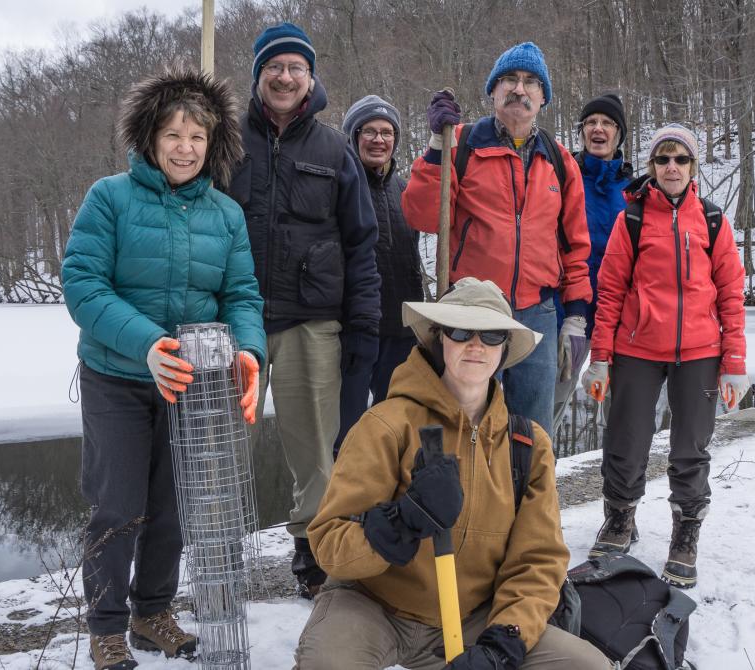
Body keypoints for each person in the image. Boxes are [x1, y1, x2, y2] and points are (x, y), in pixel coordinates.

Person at [61, 66, 267, 670]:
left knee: (175, 504)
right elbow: (83, 286)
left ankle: (152, 611)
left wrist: (248, 351)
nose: (185, 148)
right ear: (151, 137)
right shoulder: (110, 197)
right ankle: (105, 625)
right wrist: (149, 345)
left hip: (193, 384)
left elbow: (242, 295)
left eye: (197, 137)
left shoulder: (226, 215)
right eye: (174, 135)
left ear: (214, 145)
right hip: (118, 377)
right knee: (117, 505)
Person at [295, 278, 610, 670]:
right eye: (461, 331)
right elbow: (329, 545)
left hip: (472, 617)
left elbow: (538, 560)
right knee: (329, 663)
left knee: (587, 666)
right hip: (374, 607)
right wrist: (402, 521)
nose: (476, 345)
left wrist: (502, 643)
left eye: (492, 335)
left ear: (505, 348)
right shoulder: (386, 426)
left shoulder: (528, 445)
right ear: (440, 339)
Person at [226, 22, 381, 599]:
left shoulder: (334, 147)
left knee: (316, 453)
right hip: (230, 323)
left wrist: (362, 325)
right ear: (258, 75)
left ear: (311, 78)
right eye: (274, 66)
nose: (285, 76)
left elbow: (361, 244)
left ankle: (311, 551)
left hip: (310, 322)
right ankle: (217, 552)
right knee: (219, 447)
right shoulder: (223, 139)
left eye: (296, 67)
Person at [581, 123, 749, 589]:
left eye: (680, 159)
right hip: (637, 348)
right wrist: (601, 356)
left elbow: (731, 294)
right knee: (626, 440)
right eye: (662, 159)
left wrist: (734, 362)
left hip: (700, 351)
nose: (671, 167)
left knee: (691, 447)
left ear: (693, 167)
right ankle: (619, 520)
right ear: (651, 167)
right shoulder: (631, 219)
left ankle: (685, 533)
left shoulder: (712, 220)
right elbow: (610, 290)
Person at [402, 42, 592, 437]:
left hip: (536, 313)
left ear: (543, 98)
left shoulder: (559, 160)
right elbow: (421, 215)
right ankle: (466, 498)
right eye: (509, 80)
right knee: (463, 425)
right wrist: (438, 145)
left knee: (531, 432)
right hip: (470, 313)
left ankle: (527, 498)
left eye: (530, 82)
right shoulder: (462, 144)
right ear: (493, 90)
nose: (519, 90)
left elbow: (574, 246)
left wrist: (574, 315)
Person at [333, 94, 423, 457]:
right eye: (368, 131)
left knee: (395, 422)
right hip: (354, 328)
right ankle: (344, 501)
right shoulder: (339, 188)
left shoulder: (406, 192)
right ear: (353, 137)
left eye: (387, 132)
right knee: (348, 429)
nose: (378, 139)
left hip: (401, 330)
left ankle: (389, 499)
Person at [551, 93, 634, 426]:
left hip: (620, 318)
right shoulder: (562, 178)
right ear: (582, 131)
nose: (598, 129)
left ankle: (622, 478)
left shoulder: (634, 190)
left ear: (619, 134)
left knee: (626, 416)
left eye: (607, 123)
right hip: (571, 313)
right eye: (590, 122)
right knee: (550, 405)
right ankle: (535, 473)